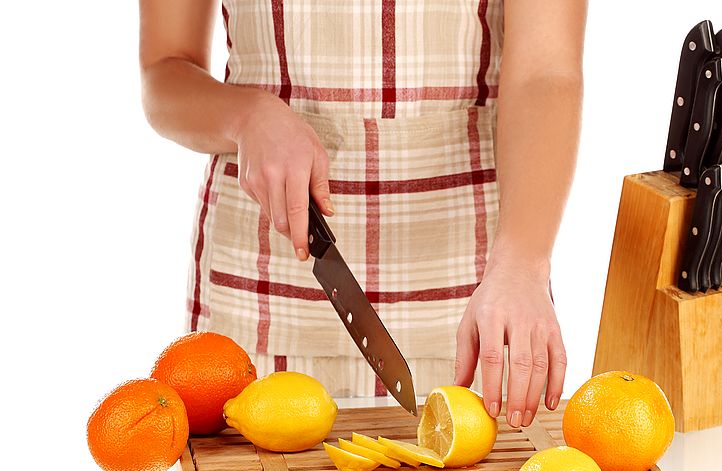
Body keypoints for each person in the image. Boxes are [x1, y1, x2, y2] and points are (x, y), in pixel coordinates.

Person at [139, 0, 586, 428]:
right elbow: (165, 71)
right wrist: (245, 117)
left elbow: (546, 71)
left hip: (476, 296)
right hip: (259, 295)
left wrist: (522, 265)